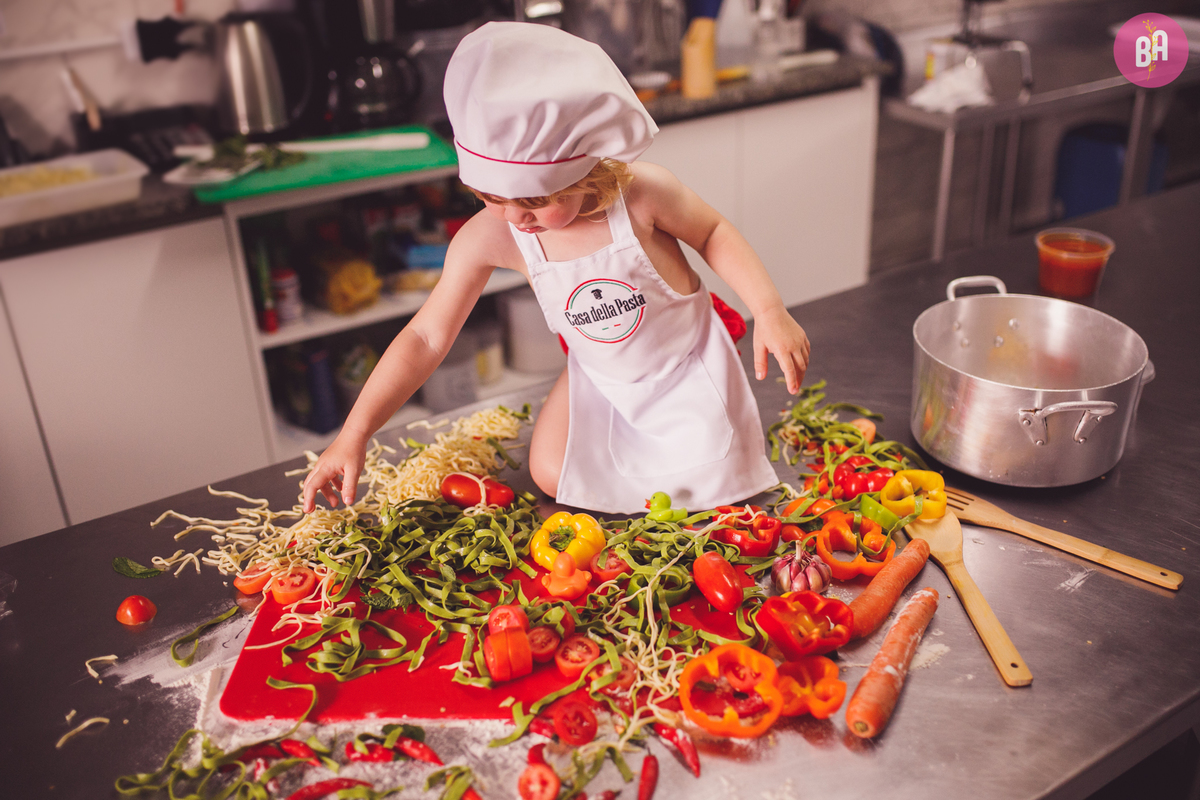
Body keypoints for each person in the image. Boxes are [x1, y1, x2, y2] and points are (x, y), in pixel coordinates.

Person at [302, 21, 810, 516]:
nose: (514, 217)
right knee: (550, 475)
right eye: (491, 197)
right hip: (599, 375)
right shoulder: (490, 235)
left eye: (535, 202)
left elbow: (713, 233)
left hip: (683, 366)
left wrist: (768, 309)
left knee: (710, 483)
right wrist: (355, 432)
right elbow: (426, 338)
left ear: (585, 172)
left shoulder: (642, 196)